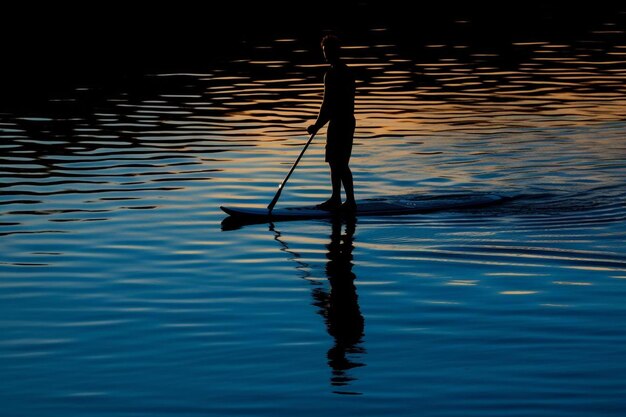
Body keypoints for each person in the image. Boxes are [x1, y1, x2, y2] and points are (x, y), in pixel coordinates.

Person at [307, 34, 356, 211]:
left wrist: (317, 125)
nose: (325, 54)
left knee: (341, 163)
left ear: (336, 51)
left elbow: (330, 104)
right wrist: (319, 124)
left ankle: (350, 202)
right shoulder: (337, 72)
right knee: (334, 162)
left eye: (328, 50)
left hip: (343, 122)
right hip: (337, 122)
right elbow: (327, 104)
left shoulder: (339, 73)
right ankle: (336, 198)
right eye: (324, 51)